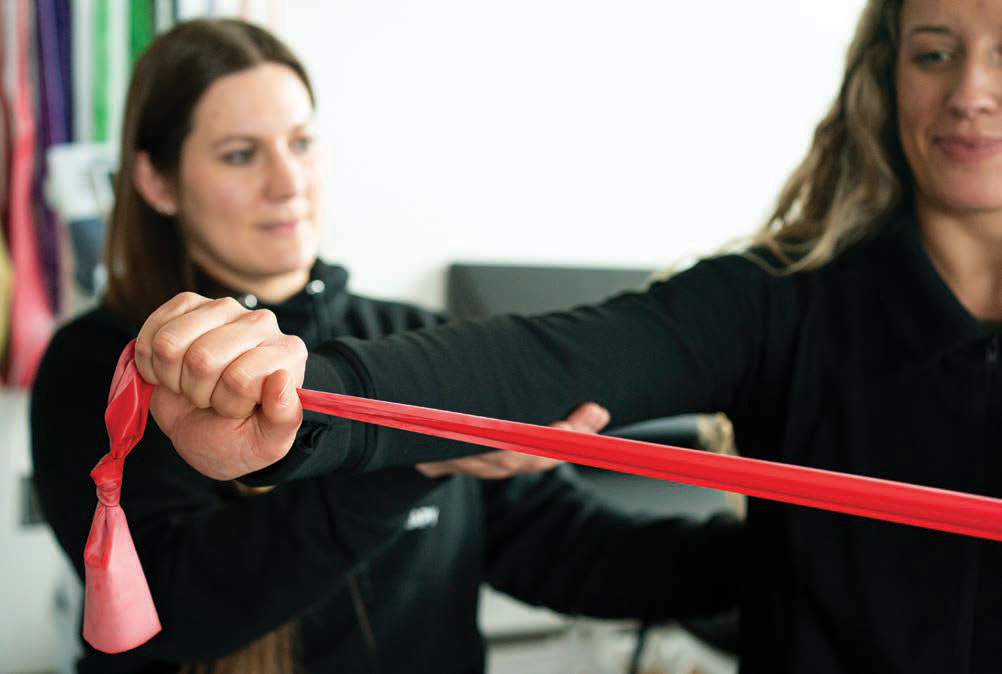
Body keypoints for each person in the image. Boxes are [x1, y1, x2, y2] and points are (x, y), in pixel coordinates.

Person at [126, 1, 1002, 672]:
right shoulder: (781, 303)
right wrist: (302, 405)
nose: (968, 94)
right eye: (934, 52)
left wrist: (801, 550)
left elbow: (567, 551)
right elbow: (547, 361)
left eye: (302, 143)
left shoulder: (399, 324)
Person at [29, 18, 742, 674]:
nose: (289, 183)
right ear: (156, 179)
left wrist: (782, 554)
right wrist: (414, 462)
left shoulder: (415, 337)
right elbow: (170, 609)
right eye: (242, 155)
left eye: (302, 143)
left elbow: (565, 548)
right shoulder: (105, 363)